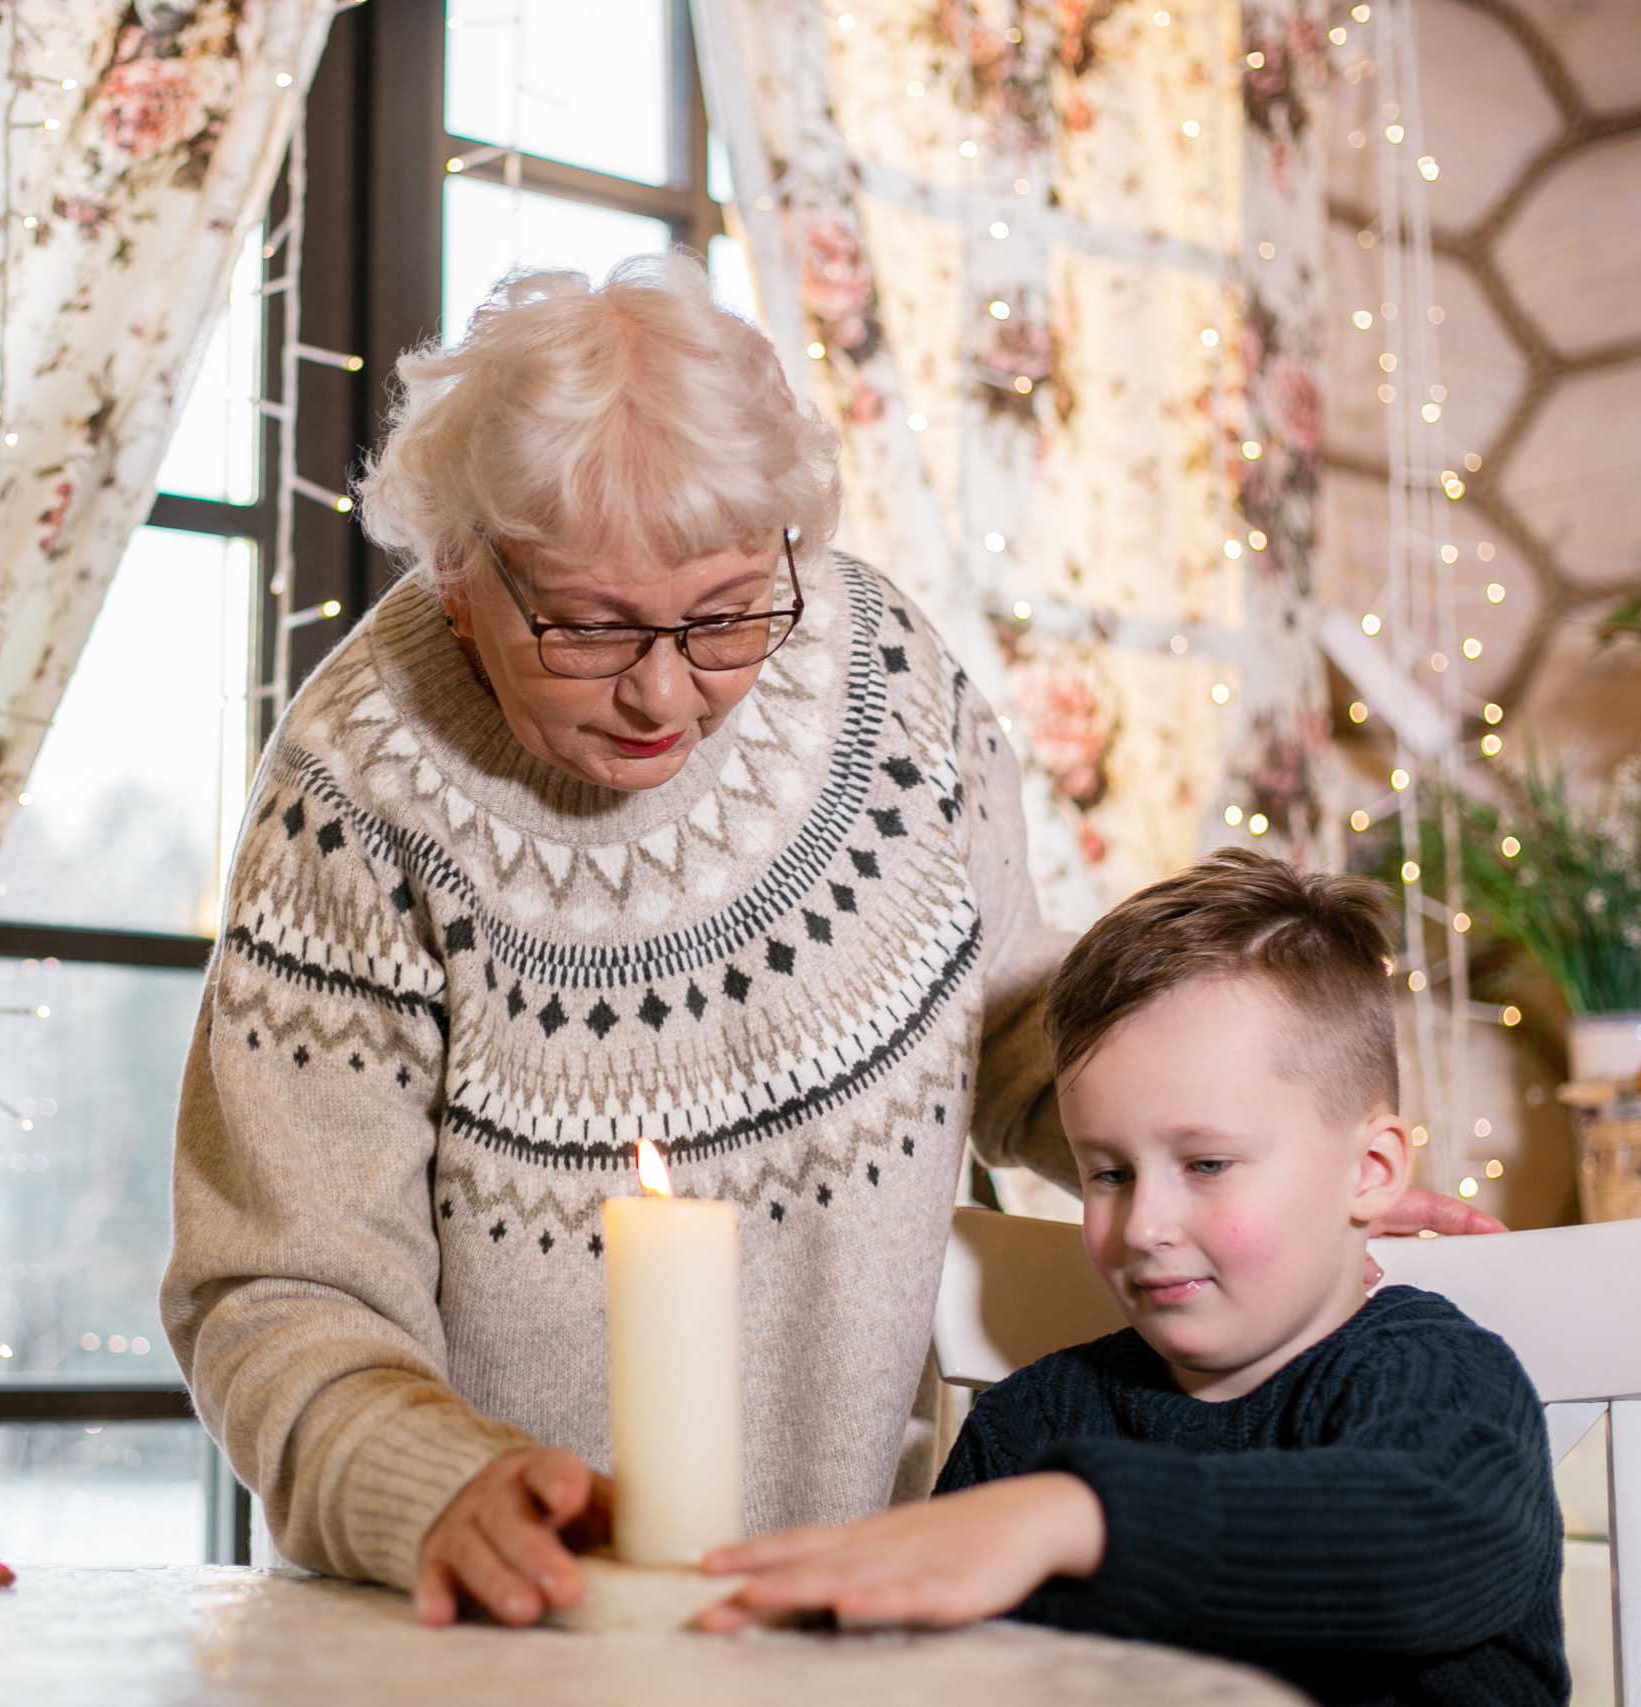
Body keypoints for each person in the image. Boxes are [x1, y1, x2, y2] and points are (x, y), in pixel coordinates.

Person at [162, 254, 1497, 1631]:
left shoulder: (886, 675)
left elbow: (1021, 1027)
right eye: (591, 625)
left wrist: (1274, 1156)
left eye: (730, 610)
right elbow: (277, 1284)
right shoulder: (356, 790)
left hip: (851, 1620)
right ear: (458, 573)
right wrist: (431, 1482)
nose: (665, 689)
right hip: (494, 1627)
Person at [699, 850, 1564, 1707]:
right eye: (1108, 1173)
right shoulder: (1028, 1426)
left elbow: (1428, 1545)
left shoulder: (1441, 1379)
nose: (1144, 1225)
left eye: (1208, 1163)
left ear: (1371, 1169)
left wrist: (1079, 1519)